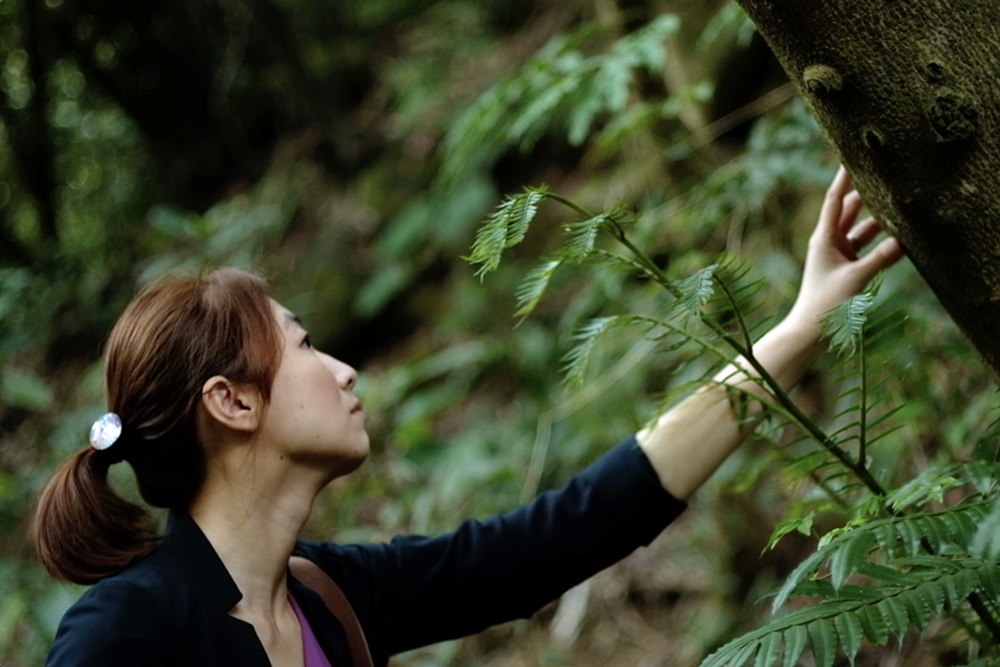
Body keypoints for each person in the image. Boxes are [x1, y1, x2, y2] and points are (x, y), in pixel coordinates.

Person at [33, 167, 903, 666]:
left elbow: (570, 531)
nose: (342, 369)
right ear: (232, 401)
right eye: (303, 346)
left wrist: (796, 330)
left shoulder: (333, 599)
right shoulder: (126, 634)